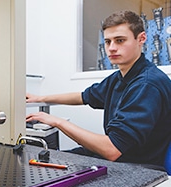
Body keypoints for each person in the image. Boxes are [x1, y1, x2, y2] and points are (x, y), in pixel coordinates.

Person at [26, 10, 171, 170]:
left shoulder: (146, 84)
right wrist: (38, 98)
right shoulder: (120, 77)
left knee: (52, 169)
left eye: (120, 40)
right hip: (118, 158)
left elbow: (112, 150)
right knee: (49, 160)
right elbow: (82, 97)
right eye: (108, 42)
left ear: (141, 38)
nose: (112, 48)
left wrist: (57, 121)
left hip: (137, 167)